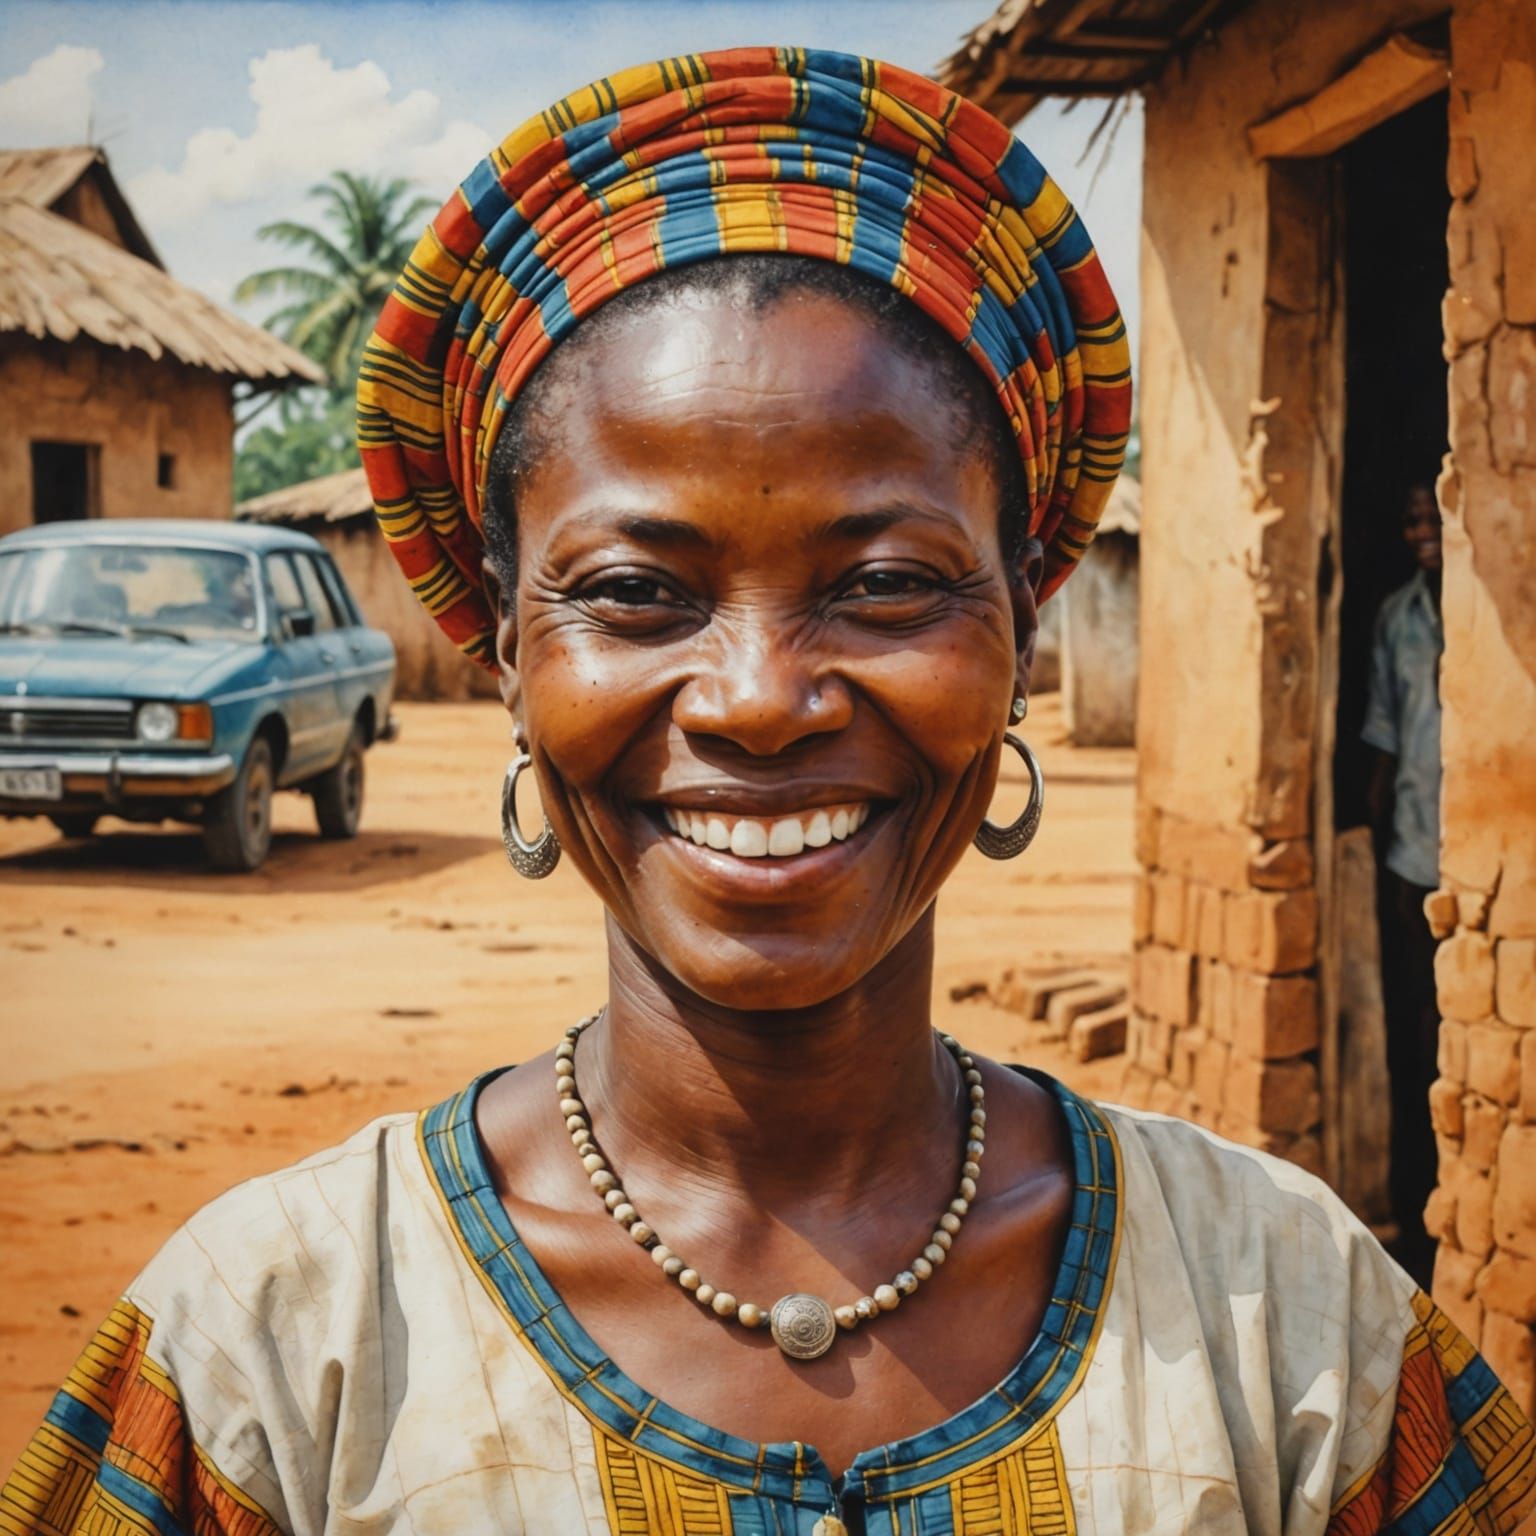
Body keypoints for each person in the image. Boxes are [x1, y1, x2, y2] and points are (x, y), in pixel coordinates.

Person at [3, 51, 1532, 1536]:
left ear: (1022, 620)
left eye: (883, 585)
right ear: (505, 636)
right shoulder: (275, 1353)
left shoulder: (1295, 1323)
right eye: (634, 593)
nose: (756, 699)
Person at [1364, 482, 1446, 1285]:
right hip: (1415, 862)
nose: (1423, 529)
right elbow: (1385, 744)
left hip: (1481, 872)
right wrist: (1382, 853)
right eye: (1412, 518)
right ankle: (1421, 1214)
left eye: (1434, 514)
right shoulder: (1399, 619)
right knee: (1418, 1048)